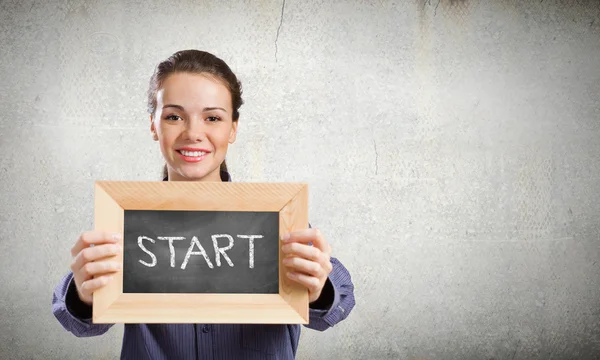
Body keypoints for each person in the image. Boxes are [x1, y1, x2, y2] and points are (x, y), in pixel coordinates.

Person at [52, 49, 355, 359]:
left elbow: (338, 304)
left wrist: (317, 291)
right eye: (173, 116)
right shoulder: (126, 221)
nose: (193, 133)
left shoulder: (273, 218)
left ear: (233, 128)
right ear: (154, 125)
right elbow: (77, 321)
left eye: (212, 117)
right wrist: (83, 295)